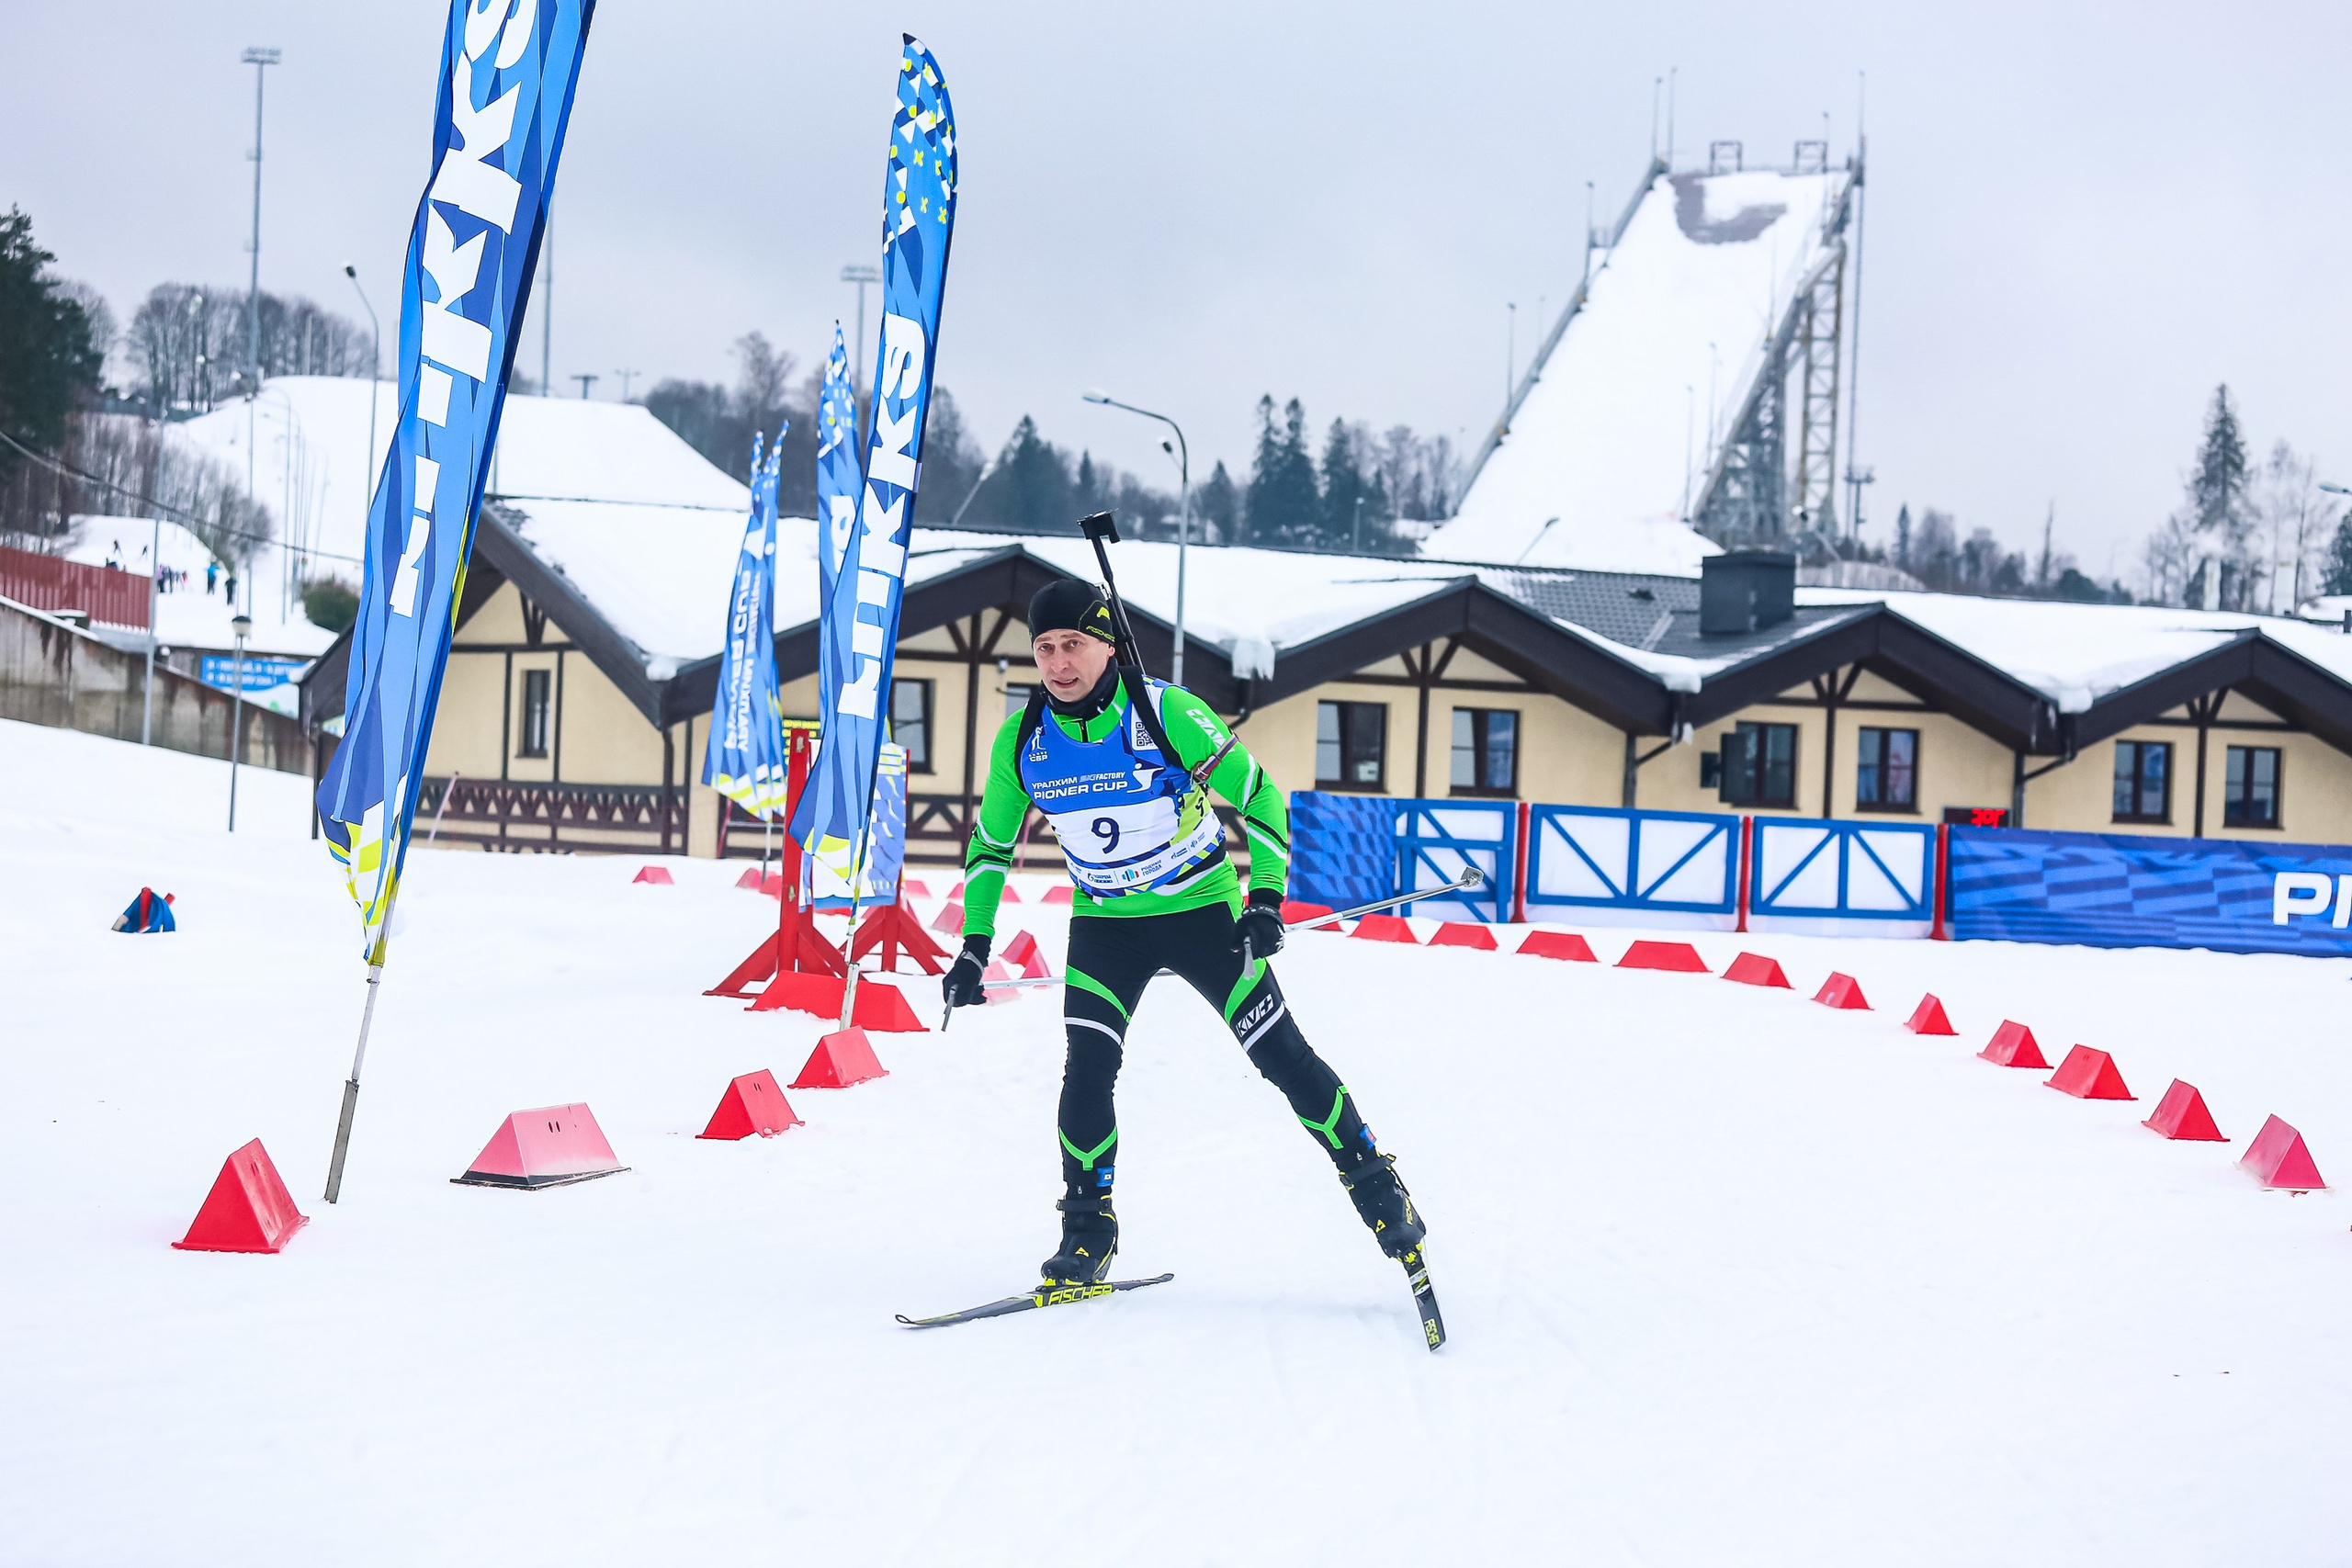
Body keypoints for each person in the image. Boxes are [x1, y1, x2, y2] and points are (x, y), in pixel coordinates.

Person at [943, 579, 1425, 1286]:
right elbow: (989, 847)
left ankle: (1380, 1188)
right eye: (1044, 648)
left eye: (1072, 643)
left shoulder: (1166, 712)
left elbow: (1260, 796)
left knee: (1283, 1056)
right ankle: (1087, 1230)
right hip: (1107, 925)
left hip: (1205, 912)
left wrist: (1264, 898)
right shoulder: (1024, 741)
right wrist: (973, 946)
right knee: (1087, 1068)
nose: (1058, 663)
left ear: (1106, 644)